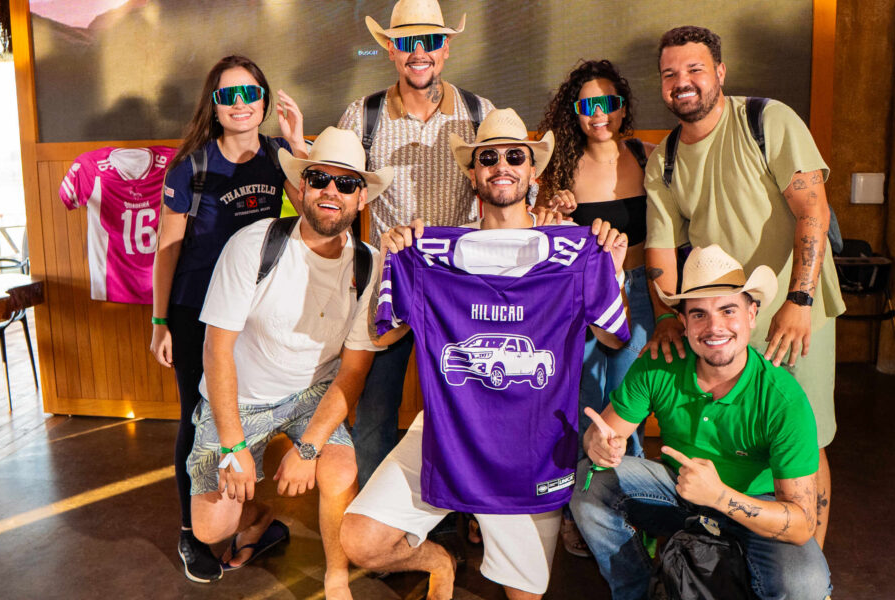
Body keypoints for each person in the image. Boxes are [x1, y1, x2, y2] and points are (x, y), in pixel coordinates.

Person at [340, 108, 630, 600]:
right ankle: (439, 560)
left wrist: (610, 272)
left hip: (531, 449)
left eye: (515, 156)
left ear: (532, 172)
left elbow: (614, 340)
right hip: (448, 432)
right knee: (361, 541)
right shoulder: (432, 253)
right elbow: (382, 336)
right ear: (473, 174)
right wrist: (391, 261)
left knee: (525, 596)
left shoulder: (572, 250)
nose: (502, 166)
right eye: (488, 158)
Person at [643, 26, 845, 547]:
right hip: (722, 319)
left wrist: (798, 300)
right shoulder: (664, 159)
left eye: (695, 69)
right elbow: (661, 250)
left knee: (807, 440)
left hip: (795, 313)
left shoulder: (767, 120)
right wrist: (666, 317)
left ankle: (811, 561)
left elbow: (813, 210)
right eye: (670, 74)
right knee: (740, 439)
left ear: (720, 72)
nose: (682, 82)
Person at [186, 127, 392, 597]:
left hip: (311, 392)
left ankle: (336, 574)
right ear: (303, 186)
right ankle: (259, 512)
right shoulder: (253, 245)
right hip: (241, 394)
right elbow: (216, 351)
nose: (331, 191)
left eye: (346, 183)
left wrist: (309, 449)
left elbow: (353, 372)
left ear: (361, 198)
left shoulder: (370, 266)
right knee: (211, 529)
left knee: (339, 470)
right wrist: (234, 445)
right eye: (319, 179)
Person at [572, 245, 832, 600]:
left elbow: (801, 524)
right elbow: (601, 436)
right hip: (681, 490)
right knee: (591, 483)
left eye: (728, 310)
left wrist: (721, 496)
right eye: (699, 314)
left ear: (752, 314)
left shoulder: (782, 398)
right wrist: (598, 445)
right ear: (683, 322)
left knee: (805, 583)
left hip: (756, 507)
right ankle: (637, 593)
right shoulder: (659, 364)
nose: (714, 327)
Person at [148, 54, 309, 582]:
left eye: (250, 94)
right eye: (228, 96)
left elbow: (314, 211)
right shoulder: (191, 167)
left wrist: (298, 143)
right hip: (196, 312)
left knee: (246, 414)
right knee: (198, 418)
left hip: (254, 314)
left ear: (264, 100)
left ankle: (247, 519)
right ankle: (191, 533)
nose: (241, 104)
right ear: (214, 106)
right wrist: (159, 322)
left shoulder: (279, 155)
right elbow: (168, 249)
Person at [338, 0, 496, 490]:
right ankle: (375, 518)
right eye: (408, 42)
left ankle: (462, 507)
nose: (419, 52)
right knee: (374, 413)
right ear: (391, 50)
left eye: (431, 41)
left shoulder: (479, 113)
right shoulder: (362, 115)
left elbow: (512, 192)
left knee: (463, 411)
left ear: (446, 49)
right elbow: (337, 195)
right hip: (389, 283)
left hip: (460, 290)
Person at [536, 59, 657, 557]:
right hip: (580, 301)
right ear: (575, 113)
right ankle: (579, 512)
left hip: (638, 294)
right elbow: (539, 233)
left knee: (629, 402)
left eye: (608, 102)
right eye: (587, 105)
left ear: (623, 108)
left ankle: (634, 508)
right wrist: (552, 211)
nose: (599, 113)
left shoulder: (648, 157)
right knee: (584, 404)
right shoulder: (560, 168)